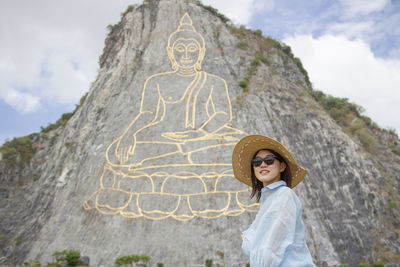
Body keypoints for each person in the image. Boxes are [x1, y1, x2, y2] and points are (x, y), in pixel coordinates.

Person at [232, 134, 315, 266]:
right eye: (257, 162)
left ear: (282, 166)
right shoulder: (269, 200)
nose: (262, 165)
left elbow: (270, 251)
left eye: (269, 160)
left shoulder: (284, 195)